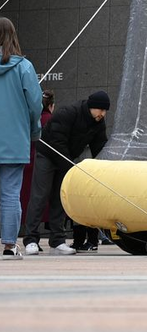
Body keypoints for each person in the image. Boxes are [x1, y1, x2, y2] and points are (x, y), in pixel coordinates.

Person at [23, 89, 109, 254]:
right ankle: (31, 240)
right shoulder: (68, 113)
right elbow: (56, 141)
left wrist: (104, 167)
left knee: (60, 198)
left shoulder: (98, 122)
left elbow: (100, 146)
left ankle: (57, 241)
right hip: (47, 154)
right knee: (39, 196)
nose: (103, 114)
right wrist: (70, 167)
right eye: (101, 110)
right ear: (92, 107)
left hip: (66, 158)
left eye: (105, 111)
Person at [0, 18, 43, 259]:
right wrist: (33, 131)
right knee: (10, 194)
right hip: (14, 140)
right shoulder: (24, 67)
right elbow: (35, 105)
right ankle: (8, 246)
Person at [19, 90, 53, 229]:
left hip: (25, 162)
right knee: (42, 201)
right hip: (43, 166)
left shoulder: (28, 120)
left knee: (25, 200)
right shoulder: (51, 121)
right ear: (51, 106)